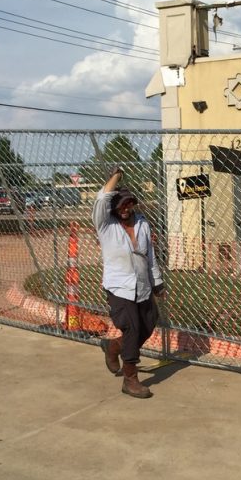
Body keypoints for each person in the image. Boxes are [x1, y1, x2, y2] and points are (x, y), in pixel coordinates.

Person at [94, 166, 164, 399]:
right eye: (120, 205)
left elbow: (150, 255)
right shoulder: (106, 225)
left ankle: (114, 346)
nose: (125, 208)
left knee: (149, 322)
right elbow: (102, 198)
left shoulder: (142, 223)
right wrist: (116, 176)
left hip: (143, 284)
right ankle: (130, 379)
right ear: (114, 208)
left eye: (128, 204)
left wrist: (157, 282)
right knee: (132, 328)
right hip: (119, 286)